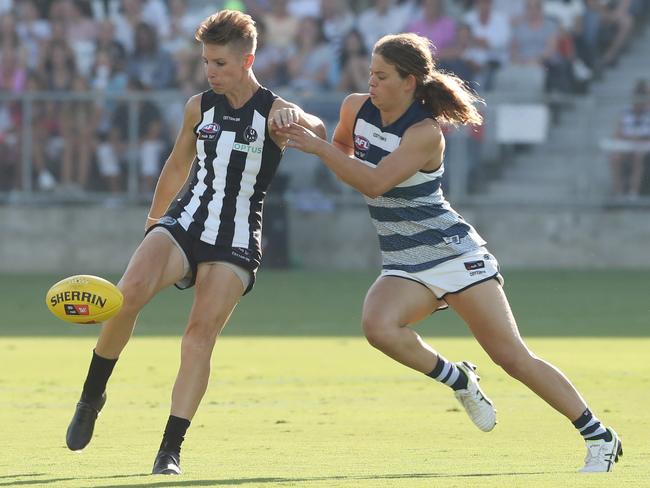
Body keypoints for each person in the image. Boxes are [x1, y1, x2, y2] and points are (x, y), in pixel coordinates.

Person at [277, 32, 622, 473]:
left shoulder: (424, 132)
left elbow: (373, 182)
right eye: (371, 74)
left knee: (512, 357)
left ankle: (600, 436)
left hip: (452, 253)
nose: (373, 83)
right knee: (378, 326)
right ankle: (458, 377)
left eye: (382, 76)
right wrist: (315, 135)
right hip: (404, 259)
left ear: (409, 82)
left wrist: (319, 147)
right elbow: (345, 149)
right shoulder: (354, 107)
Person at [64, 9, 326, 476]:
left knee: (198, 337)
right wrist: (153, 225)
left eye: (220, 63)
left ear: (248, 60)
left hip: (235, 237)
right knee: (127, 295)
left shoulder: (274, 112)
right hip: (183, 222)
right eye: (206, 62)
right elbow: (176, 166)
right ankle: (91, 396)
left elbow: (320, 132)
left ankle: (170, 450)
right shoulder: (198, 107)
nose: (211, 72)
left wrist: (299, 114)